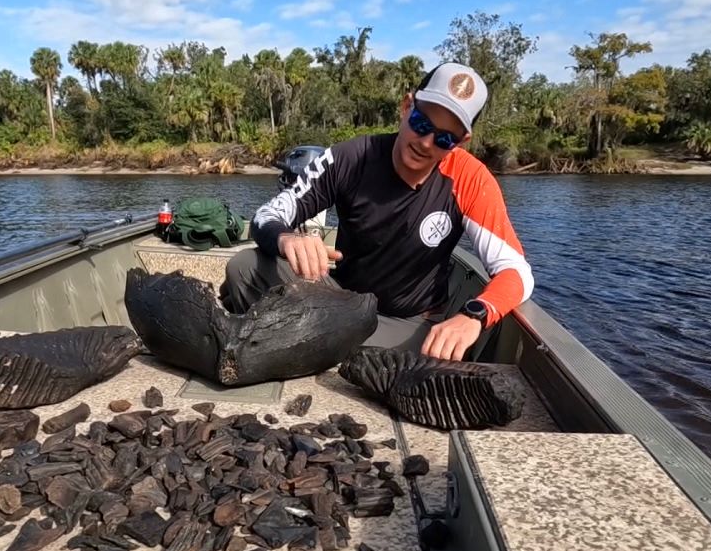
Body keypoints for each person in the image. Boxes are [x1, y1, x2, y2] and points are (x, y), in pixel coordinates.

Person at [219, 62, 534, 361]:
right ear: (406, 106)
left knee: (388, 354)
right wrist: (286, 238)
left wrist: (473, 315)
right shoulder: (351, 157)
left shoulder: (469, 179)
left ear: (461, 141)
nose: (425, 142)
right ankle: (310, 342)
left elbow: (516, 272)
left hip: (406, 321)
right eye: (421, 123)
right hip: (339, 299)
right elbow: (265, 216)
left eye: (443, 138)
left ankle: (298, 341)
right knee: (244, 267)